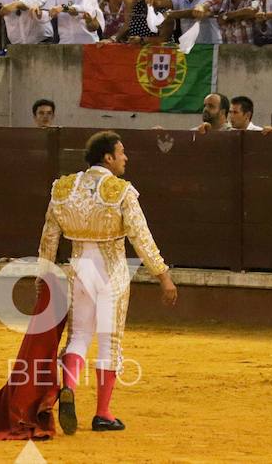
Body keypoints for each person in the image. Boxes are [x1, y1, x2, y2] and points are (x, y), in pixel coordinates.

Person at [38, 130, 177, 434]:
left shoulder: (63, 189)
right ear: (108, 157)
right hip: (111, 271)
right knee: (109, 341)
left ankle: (69, 388)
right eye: (122, 152)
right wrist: (162, 275)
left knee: (78, 337)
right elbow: (141, 237)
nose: (126, 158)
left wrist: (44, 273)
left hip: (78, 270)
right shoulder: (121, 191)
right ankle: (103, 413)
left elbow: (49, 237)